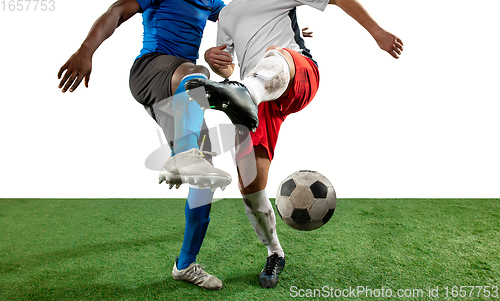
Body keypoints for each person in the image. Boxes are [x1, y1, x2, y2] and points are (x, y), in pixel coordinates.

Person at [186, 0, 403, 288]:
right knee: (249, 184)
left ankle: (244, 93)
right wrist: (217, 62)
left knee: (277, 53)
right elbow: (228, 71)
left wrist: (376, 31)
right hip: (254, 101)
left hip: (296, 73)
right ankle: (275, 253)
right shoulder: (225, 14)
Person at [57, 0, 232, 290]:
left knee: (204, 177)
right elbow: (116, 11)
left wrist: (279, 32)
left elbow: (241, 18)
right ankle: (184, 154)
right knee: (197, 73)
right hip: (151, 72)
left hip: (183, 94)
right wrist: (86, 50)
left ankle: (185, 264)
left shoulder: (212, 1)